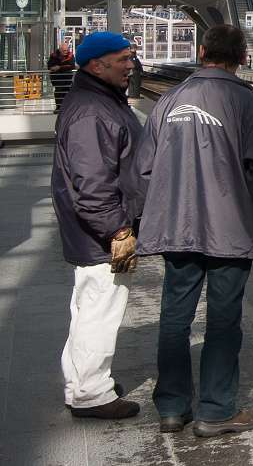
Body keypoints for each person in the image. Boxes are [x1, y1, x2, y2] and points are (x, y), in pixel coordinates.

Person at [127, 25, 253, 437]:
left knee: (174, 317)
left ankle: (172, 408)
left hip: (175, 226)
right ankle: (215, 409)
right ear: (243, 58)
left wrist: (138, 219)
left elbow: (142, 169)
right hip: (229, 230)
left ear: (201, 52)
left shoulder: (168, 101)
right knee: (223, 319)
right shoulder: (246, 103)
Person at [51, 31, 140, 420]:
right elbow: (93, 181)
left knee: (88, 305)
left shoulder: (98, 100)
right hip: (99, 234)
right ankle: (91, 394)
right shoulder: (93, 112)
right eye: (122, 59)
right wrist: (117, 230)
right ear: (96, 64)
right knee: (99, 310)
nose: (129, 65)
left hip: (92, 231)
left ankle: (82, 382)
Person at [47, 42, 76, 110]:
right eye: (64, 50)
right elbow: (50, 66)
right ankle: (59, 107)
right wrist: (64, 67)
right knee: (58, 92)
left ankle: (67, 107)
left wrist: (59, 67)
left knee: (67, 92)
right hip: (57, 79)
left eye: (66, 50)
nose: (66, 52)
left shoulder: (70, 55)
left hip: (67, 78)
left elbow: (72, 66)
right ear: (60, 50)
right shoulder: (53, 55)